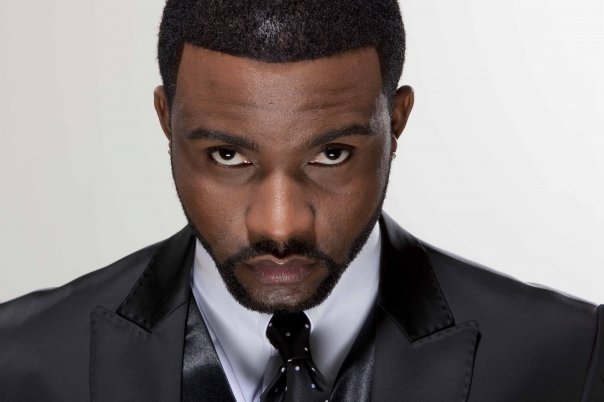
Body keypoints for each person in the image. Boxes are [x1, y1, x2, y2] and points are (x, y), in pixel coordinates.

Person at [0, 0, 602, 400]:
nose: (281, 224)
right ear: (166, 119)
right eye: (227, 156)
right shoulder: (18, 361)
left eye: (332, 155)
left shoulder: (571, 358)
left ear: (396, 121)